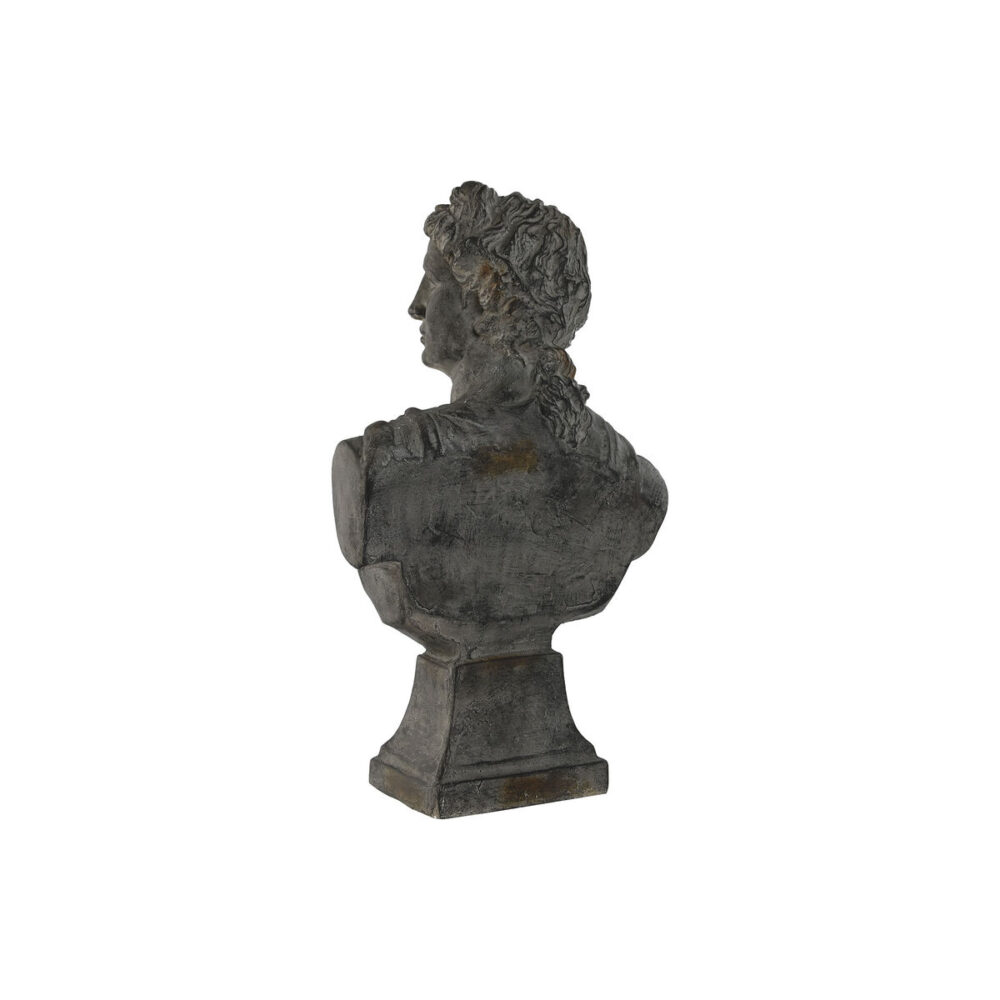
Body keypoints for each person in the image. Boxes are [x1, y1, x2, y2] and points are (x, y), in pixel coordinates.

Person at [333, 181, 667, 663]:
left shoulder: (379, 466)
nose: (417, 305)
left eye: (433, 281)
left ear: (484, 298)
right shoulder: (634, 483)